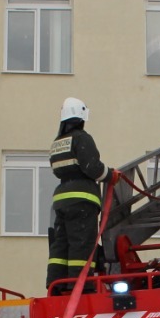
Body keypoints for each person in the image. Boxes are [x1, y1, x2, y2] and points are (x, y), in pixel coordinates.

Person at [46, 97, 110, 289]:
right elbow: (93, 168)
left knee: (61, 245)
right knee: (81, 244)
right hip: (82, 199)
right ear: (81, 117)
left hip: (61, 200)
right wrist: (111, 175)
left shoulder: (57, 143)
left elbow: (57, 169)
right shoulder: (82, 138)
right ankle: (80, 286)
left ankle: (56, 285)